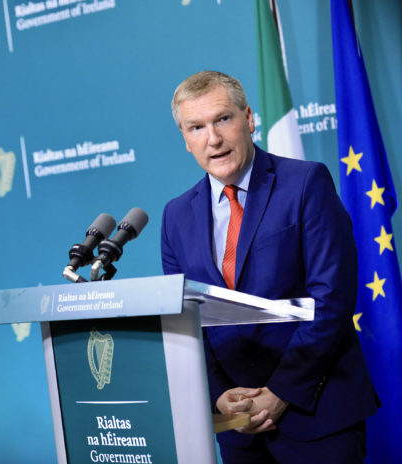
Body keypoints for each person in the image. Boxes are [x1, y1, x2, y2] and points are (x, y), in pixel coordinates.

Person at [161, 71, 378, 463]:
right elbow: (187, 319)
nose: (213, 138)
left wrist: (281, 393)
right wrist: (219, 395)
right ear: (185, 140)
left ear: (249, 118)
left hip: (317, 416)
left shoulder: (305, 183)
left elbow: (332, 299)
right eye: (197, 127)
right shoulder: (175, 215)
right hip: (237, 429)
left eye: (223, 119)